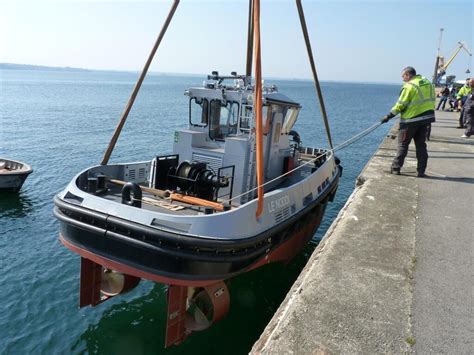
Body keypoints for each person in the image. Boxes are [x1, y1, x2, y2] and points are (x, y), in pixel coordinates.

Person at [380, 66, 435, 177]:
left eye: (403, 76)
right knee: (421, 146)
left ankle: (396, 168)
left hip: (410, 120)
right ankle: (421, 171)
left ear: (408, 75)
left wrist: (388, 116)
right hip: (425, 119)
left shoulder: (409, 86)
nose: (402, 79)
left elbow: (400, 104)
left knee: (403, 145)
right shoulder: (428, 83)